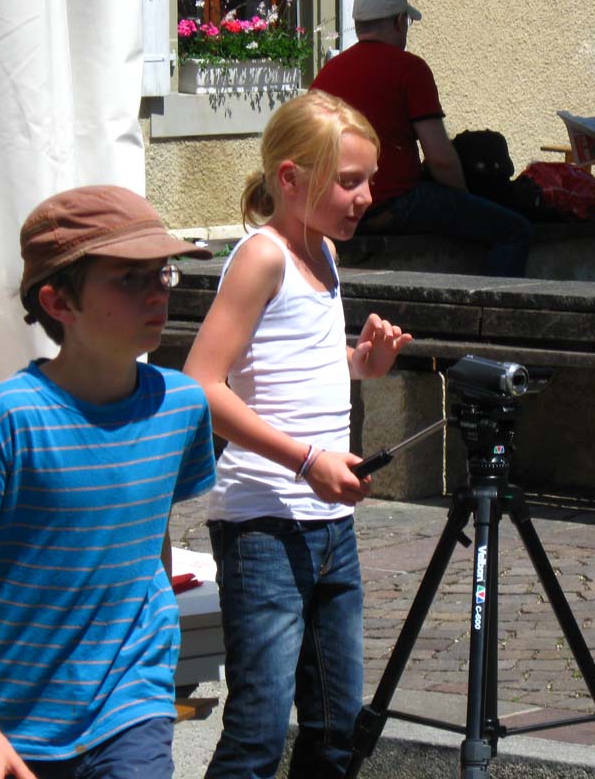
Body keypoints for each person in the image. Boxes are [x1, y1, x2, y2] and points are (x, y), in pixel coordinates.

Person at [0, 185, 217, 779]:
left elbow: (149, 530)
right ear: (58, 302)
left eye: (162, 273)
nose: (157, 292)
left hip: (133, 696)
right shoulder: (2, 421)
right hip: (18, 718)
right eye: (129, 278)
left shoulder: (181, 405)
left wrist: (158, 635)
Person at [183, 90, 412, 778]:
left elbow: (289, 363)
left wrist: (360, 363)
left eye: (369, 180)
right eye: (349, 181)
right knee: (257, 733)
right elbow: (202, 385)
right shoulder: (264, 256)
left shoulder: (323, 251)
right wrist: (307, 460)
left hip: (329, 525)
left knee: (338, 729)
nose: (365, 197)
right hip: (263, 525)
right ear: (290, 179)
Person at [311, 0, 532, 277]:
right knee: (515, 231)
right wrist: (465, 200)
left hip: (339, 206)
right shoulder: (409, 68)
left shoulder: (327, 73)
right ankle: (490, 303)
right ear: (399, 22)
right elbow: (440, 159)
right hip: (394, 203)